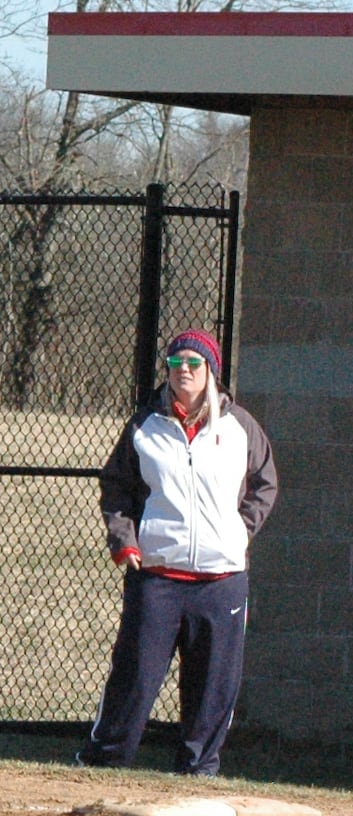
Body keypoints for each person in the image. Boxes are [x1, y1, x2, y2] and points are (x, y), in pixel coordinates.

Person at [76, 328, 277, 776]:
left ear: (212, 373)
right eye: (175, 363)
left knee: (212, 687)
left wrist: (239, 531)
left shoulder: (239, 426)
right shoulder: (146, 425)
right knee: (136, 677)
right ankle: (105, 760)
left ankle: (197, 769)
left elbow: (265, 483)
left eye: (193, 363)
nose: (183, 370)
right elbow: (118, 487)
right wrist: (124, 539)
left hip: (221, 580)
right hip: (158, 576)